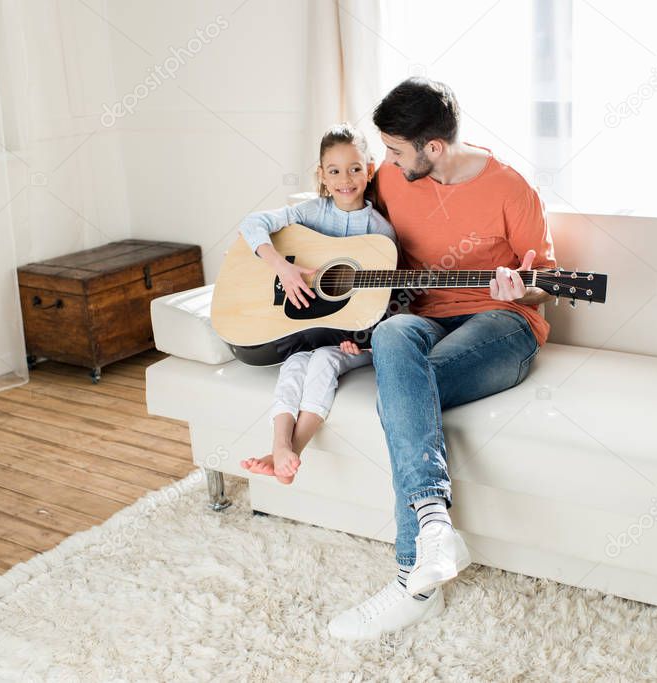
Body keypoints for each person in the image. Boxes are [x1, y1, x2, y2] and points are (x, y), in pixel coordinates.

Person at [327, 78, 557, 639]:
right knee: (393, 338)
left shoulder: (511, 189)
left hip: (502, 324)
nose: (385, 162)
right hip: (423, 317)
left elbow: (547, 283)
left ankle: (416, 581)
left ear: (433, 148)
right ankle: (435, 530)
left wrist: (521, 291)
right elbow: (348, 234)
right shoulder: (389, 179)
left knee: (402, 392)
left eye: (396, 151)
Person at [237, 123, 397, 485]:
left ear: (369, 171)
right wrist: (282, 266)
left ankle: (293, 447)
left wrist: (364, 337)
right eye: (335, 170)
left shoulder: (381, 233)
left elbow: (389, 301)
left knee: (324, 360)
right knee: (295, 363)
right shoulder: (311, 214)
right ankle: (280, 445)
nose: (346, 179)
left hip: (354, 343)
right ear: (322, 175)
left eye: (355, 168)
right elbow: (253, 223)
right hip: (310, 333)